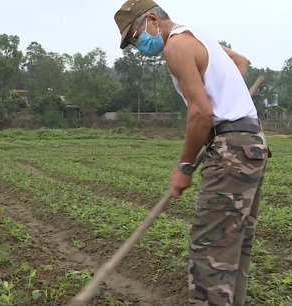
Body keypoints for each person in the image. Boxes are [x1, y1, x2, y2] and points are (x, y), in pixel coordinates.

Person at [114, 1, 270, 305]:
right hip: (251, 144)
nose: (137, 46)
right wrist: (228, 97)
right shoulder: (198, 35)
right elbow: (240, 62)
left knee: (210, 251)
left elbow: (200, 112)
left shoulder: (176, 47)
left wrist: (184, 166)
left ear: (151, 20)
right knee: (234, 245)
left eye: (134, 37)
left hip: (230, 150)